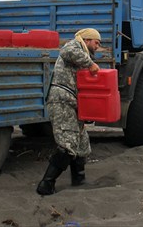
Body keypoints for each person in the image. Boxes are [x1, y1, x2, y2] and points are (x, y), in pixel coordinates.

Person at [37, 28, 102, 195]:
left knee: (82, 144)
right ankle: (46, 184)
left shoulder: (83, 52)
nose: (98, 46)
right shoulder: (73, 46)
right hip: (61, 101)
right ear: (87, 40)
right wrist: (90, 64)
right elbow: (66, 51)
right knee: (68, 144)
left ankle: (79, 181)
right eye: (97, 42)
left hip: (72, 103)